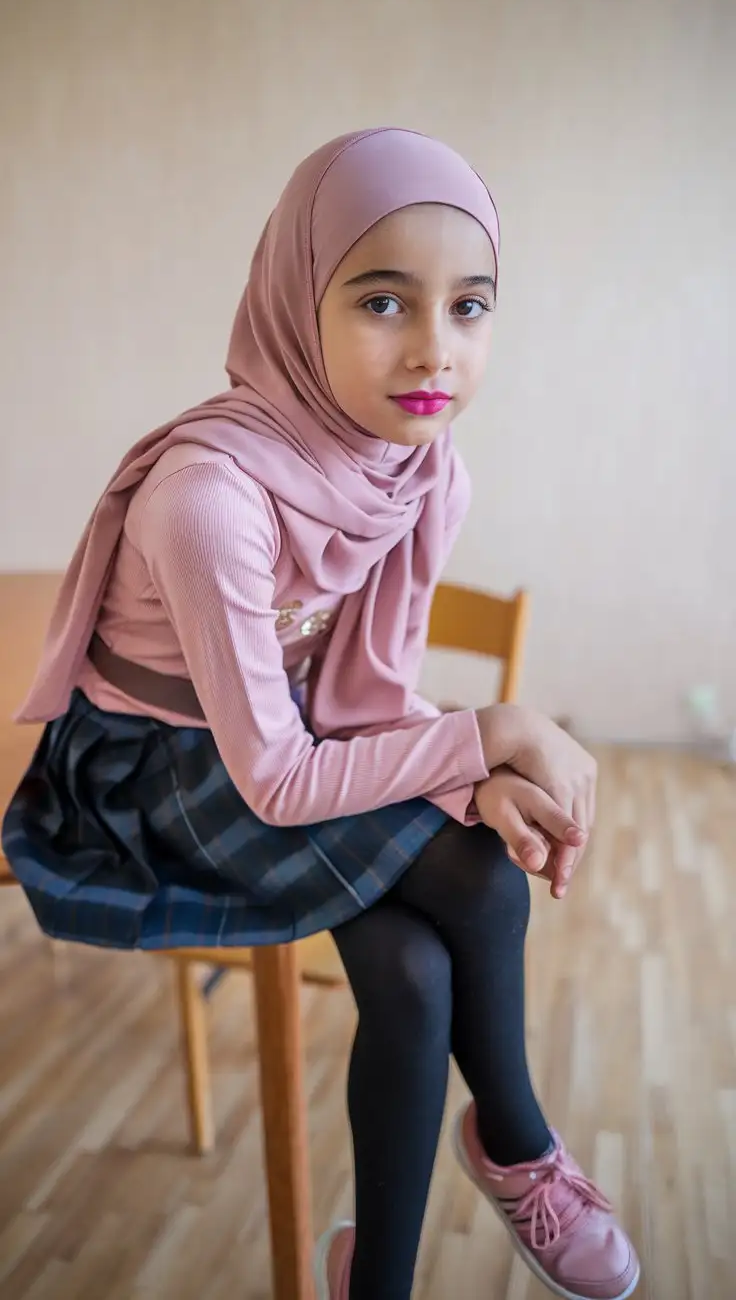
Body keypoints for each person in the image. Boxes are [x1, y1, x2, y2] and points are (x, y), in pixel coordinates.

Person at [2, 128, 639, 1300]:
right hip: (154, 769)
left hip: (288, 737)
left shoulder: (422, 462)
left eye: (470, 305)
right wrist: (492, 732)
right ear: (299, 300)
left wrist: (464, 781)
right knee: (487, 886)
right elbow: (278, 782)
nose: (433, 352)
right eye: (384, 301)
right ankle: (517, 1144)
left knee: (407, 972)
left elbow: (364, 694)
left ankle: (375, 1283)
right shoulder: (209, 501)